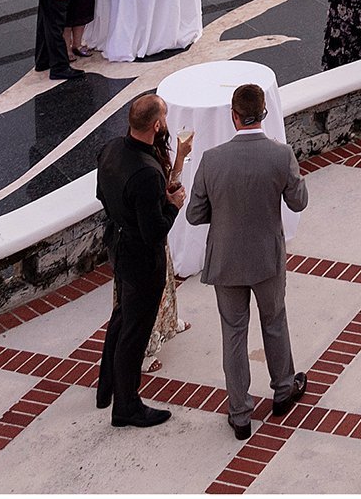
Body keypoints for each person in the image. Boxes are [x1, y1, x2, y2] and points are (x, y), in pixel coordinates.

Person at [185, 80, 309, 440]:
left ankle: (240, 414)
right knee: (274, 321)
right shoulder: (281, 155)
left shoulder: (211, 160)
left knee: (233, 334)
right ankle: (284, 389)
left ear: (234, 116)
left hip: (225, 260)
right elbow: (299, 202)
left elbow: (194, 215)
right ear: (264, 114)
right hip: (267, 259)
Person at [95, 90, 184, 428]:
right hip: (141, 259)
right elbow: (155, 233)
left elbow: (102, 194)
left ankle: (106, 389)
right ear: (157, 125)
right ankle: (126, 406)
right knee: (134, 331)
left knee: (120, 318)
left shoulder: (111, 149)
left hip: (117, 246)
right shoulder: (147, 172)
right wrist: (173, 206)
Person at [142, 110, 194, 372]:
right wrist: (172, 205)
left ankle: (169, 323)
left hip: (153, 239)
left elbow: (168, 187)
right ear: (156, 124)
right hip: (141, 243)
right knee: (147, 296)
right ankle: (145, 351)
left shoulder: (153, 151)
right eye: (164, 116)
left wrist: (181, 157)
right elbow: (161, 202)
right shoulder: (144, 165)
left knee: (165, 282)